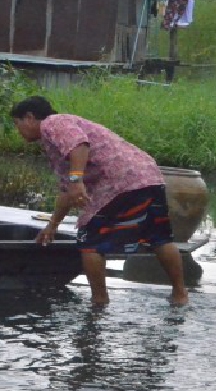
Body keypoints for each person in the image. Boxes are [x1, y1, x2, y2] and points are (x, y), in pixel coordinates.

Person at [10, 96, 188, 305]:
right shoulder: (55, 139)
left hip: (118, 180)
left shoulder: (53, 123)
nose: (19, 131)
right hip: (148, 176)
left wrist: (77, 179)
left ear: (30, 117)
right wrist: (53, 225)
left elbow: (79, 145)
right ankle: (180, 294)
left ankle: (99, 301)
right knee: (159, 237)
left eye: (17, 124)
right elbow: (67, 192)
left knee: (90, 240)